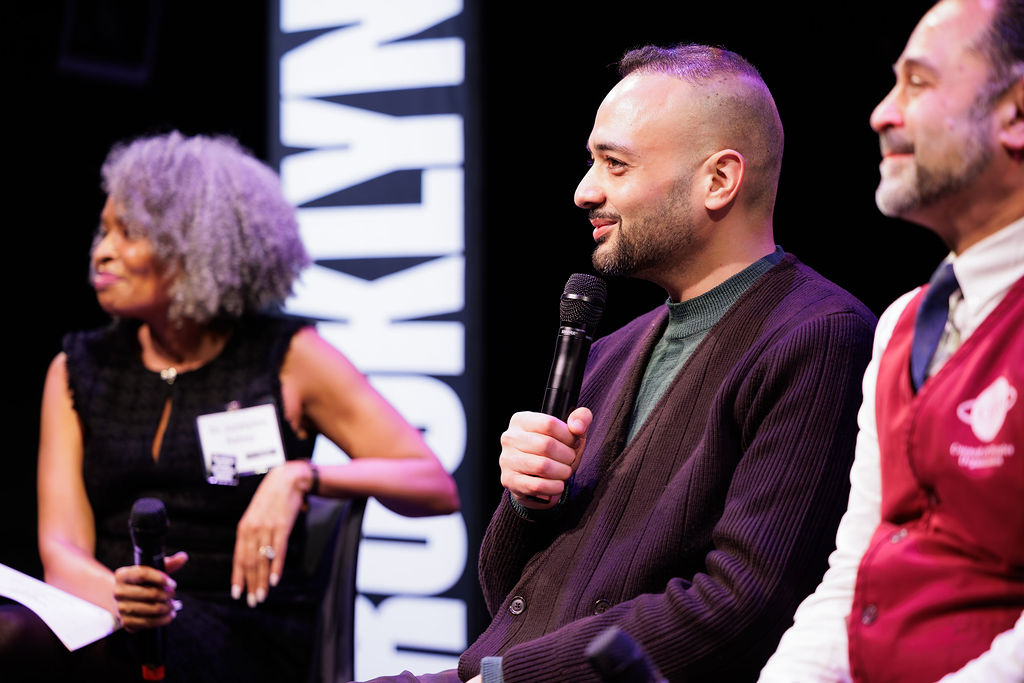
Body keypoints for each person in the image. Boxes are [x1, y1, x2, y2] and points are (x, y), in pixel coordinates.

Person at [362, 44, 876, 683]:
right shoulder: (611, 351)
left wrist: (503, 680)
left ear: (718, 180)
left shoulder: (818, 337)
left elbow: (744, 605)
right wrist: (529, 502)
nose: (585, 191)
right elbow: (513, 599)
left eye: (616, 164)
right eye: (591, 162)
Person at [13, 131, 460, 681]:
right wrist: (123, 597)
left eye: (127, 233)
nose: (101, 251)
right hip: (110, 611)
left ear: (195, 246)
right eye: (103, 230)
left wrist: (301, 477)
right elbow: (60, 549)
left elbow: (433, 485)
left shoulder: (288, 358)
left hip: (244, 629)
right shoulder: (76, 369)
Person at [759, 1, 1024, 681]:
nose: (882, 112)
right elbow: (855, 571)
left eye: (919, 82)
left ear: (1017, 114)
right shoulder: (904, 322)